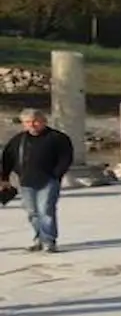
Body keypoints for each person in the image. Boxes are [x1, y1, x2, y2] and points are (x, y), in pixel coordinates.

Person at [1, 108, 74, 253]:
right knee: (32, 212)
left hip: (48, 180)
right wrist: (4, 178)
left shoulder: (57, 138)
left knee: (46, 211)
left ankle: (48, 241)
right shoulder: (18, 140)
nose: (32, 125)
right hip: (26, 181)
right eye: (28, 122)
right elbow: (7, 158)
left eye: (35, 121)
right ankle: (38, 239)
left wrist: (56, 174)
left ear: (43, 122)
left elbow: (66, 157)